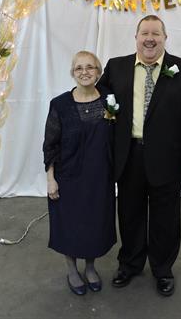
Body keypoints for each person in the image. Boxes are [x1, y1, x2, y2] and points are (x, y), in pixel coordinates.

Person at [98, 15, 181, 296]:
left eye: (156, 33)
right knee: (129, 213)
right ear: (135, 37)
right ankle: (130, 264)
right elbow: (100, 100)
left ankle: (162, 268)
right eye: (144, 32)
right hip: (128, 155)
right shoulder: (116, 66)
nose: (150, 38)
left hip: (168, 158)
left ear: (165, 38)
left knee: (165, 217)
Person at [42, 51, 116, 296]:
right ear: (73, 73)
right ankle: (72, 269)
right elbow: (50, 145)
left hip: (99, 179)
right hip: (69, 178)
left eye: (90, 67)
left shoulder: (109, 100)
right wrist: (51, 179)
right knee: (70, 226)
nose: (85, 72)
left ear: (98, 72)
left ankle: (91, 266)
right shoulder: (60, 104)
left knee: (96, 224)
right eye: (79, 68)